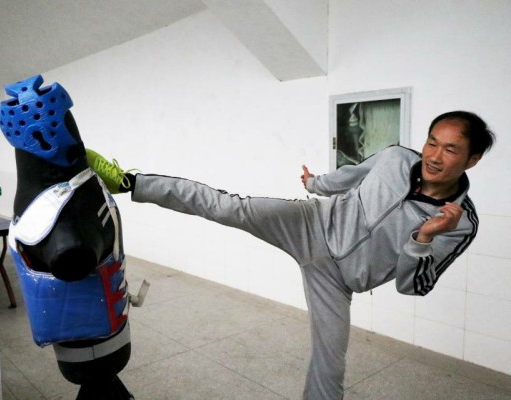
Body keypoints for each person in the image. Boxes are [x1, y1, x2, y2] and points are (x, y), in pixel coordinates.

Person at [87, 110, 495, 400]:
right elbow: (350, 176)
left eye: (450, 150)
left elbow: (414, 286)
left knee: (330, 362)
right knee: (228, 206)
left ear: (472, 160)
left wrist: (422, 237)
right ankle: (129, 182)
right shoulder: (395, 158)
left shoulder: (460, 224)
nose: (434, 156)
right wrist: (314, 184)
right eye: (431, 142)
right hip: (311, 223)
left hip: (337, 280)